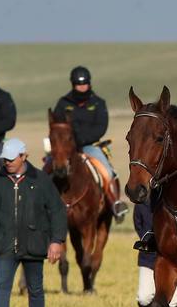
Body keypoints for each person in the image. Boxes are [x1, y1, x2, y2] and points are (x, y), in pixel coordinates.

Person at [0, 139, 67, 307]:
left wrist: (56, 241)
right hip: (3, 245)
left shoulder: (41, 180)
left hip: (34, 244)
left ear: (24, 156)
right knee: (2, 286)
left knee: (35, 288)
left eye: (11, 159)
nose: (7, 162)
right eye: (5, 159)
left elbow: (57, 211)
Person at [53, 66, 128, 221]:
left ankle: (115, 203)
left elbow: (101, 127)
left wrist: (81, 140)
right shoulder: (63, 103)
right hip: (66, 148)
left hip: (89, 146)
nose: (82, 87)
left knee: (107, 172)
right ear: (73, 84)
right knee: (47, 169)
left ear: (89, 84)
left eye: (84, 83)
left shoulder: (98, 103)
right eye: (78, 84)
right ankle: (42, 205)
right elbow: (56, 126)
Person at [134, 201, 177, 307]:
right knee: (143, 298)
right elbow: (138, 224)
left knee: (172, 302)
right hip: (148, 257)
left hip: (174, 259)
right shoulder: (142, 202)